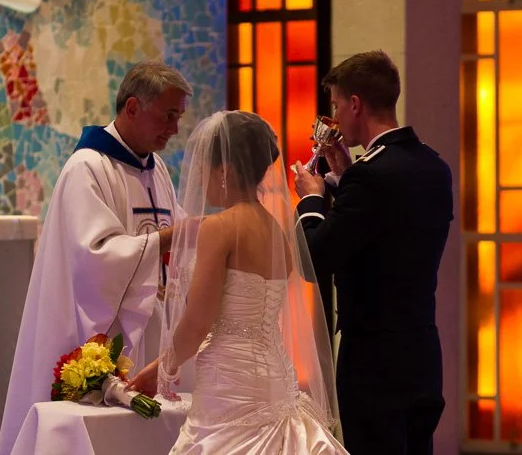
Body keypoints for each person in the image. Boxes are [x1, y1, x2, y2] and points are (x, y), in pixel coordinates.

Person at [0, 60, 192, 455]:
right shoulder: (87, 167)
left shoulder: (157, 171)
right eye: (168, 116)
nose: (174, 129)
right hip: (95, 337)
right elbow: (95, 257)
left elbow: (178, 238)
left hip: (151, 330)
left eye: (179, 118)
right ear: (133, 108)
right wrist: (174, 237)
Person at [128, 110, 347, 454]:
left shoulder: (220, 227)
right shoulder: (275, 229)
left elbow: (198, 322)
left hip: (230, 384)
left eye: (204, 168)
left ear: (225, 171)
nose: (199, 179)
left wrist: (162, 369)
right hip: (274, 377)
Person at [293, 50, 454, 455]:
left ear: (355, 104)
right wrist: (345, 178)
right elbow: (385, 226)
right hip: (421, 353)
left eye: (335, 104)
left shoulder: (371, 176)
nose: (335, 115)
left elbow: (317, 258)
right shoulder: (433, 166)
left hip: (373, 360)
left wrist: (311, 201)